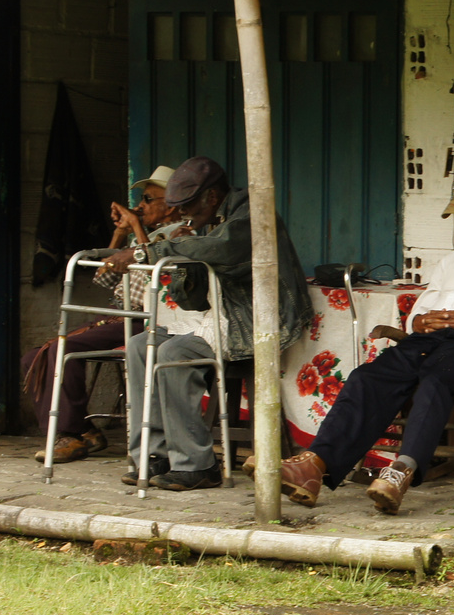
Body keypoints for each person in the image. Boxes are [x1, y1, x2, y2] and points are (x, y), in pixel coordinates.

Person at [275, 170, 454, 516]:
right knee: (367, 377)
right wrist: (419, 321)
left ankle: (400, 472)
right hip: (431, 339)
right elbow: (420, 308)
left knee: (434, 379)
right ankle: (315, 465)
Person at [100, 156, 312, 490]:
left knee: (174, 354)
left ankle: (197, 465)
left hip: (255, 320)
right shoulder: (209, 219)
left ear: (211, 197)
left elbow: (224, 248)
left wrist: (145, 253)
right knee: (141, 346)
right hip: (221, 314)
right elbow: (196, 287)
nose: (183, 213)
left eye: (188, 205)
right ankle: (154, 456)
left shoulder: (251, 215)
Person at [20, 165, 184, 464]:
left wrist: (135, 227)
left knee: (61, 349)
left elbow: (159, 281)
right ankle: (83, 431)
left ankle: (67, 434)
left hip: (149, 320)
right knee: (35, 356)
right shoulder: (144, 235)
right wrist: (121, 233)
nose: (141, 205)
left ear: (170, 204)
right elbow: (103, 278)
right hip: (118, 315)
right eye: (142, 200)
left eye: (148, 199)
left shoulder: (182, 233)